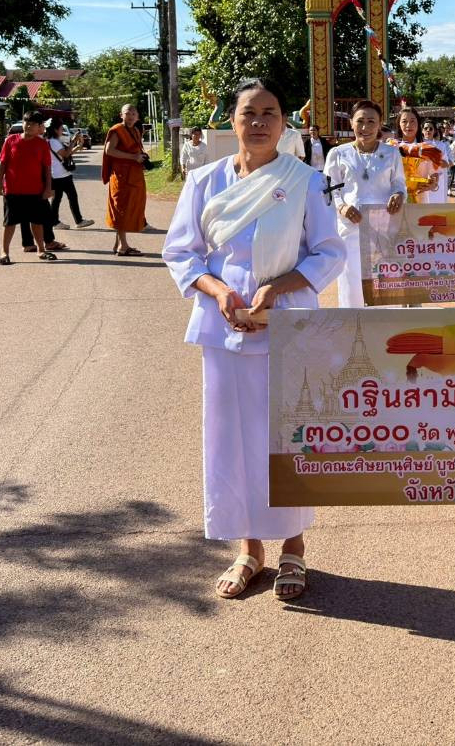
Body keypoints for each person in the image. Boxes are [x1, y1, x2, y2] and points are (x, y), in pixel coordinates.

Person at [162, 78, 345, 603]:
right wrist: (219, 291)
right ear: (232, 120)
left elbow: (328, 252)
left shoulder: (305, 180)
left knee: (284, 437)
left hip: (284, 325)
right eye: (249, 113)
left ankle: (293, 546)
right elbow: (182, 253)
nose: (260, 122)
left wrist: (277, 288)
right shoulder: (204, 181)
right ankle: (248, 549)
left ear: (284, 122)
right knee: (232, 439)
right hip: (222, 328)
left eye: (270, 112)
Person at [322, 100, 406, 308]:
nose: (365, 127)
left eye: (371, 121)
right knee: (352, 287)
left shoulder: (391, 153)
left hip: (384, 229)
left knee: (384, 286)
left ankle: (385, 336)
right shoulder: (338, 153)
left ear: (379, 124)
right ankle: (352, 332)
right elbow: (328, 189)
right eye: (360, 121)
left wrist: (398, 195)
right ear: (351, 123)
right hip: (351, 229)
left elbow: (399, 183)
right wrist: (342, 206)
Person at [0, 110, 57, 264]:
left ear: (39, 127)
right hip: (12, 190)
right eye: (26, 123)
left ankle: (41, 250)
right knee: (9, 222)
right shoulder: (11, 140)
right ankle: (4, 252)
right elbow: (2, 163)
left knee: (37, 222)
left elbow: (47, 169)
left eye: (32, 124)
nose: (28, 126)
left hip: (35, 190)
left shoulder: (42, 144)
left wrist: (48, 188)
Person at [103, 104, 149, 257]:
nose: (130, 116)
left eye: (133, 113)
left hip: (134, 175)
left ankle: (119, 244)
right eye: (127, 113)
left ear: (137, 117)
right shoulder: (117, 130)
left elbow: (135, 149)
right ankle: (123, 246)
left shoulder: (136, 130)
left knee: (129, 208)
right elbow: (109, 150)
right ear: (121, 115)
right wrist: (133, 157)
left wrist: (141, 157)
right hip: (121, 176)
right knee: (121, 209)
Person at [387, 106, 446, 204]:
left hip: (420, 200)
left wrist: (433, 184)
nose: (408, 125)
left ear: (418, 124)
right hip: (394, 200)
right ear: (399, 124)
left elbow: (434, 174)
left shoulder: (428, 149)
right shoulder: (391, 147)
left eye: (412, 121)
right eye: (404, 121)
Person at [46, 117, 94, 235]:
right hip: (58, 175)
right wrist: (73, 140)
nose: (62, 129)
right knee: (60, 199)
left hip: (62, 174)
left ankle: (74, 220)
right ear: (55, 129)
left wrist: (77, 146)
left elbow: (66, 153)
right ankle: (59, 222)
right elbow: (66, 153)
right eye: (61, 127)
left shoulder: (55, 140)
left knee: (67, 198)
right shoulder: (53, 141)